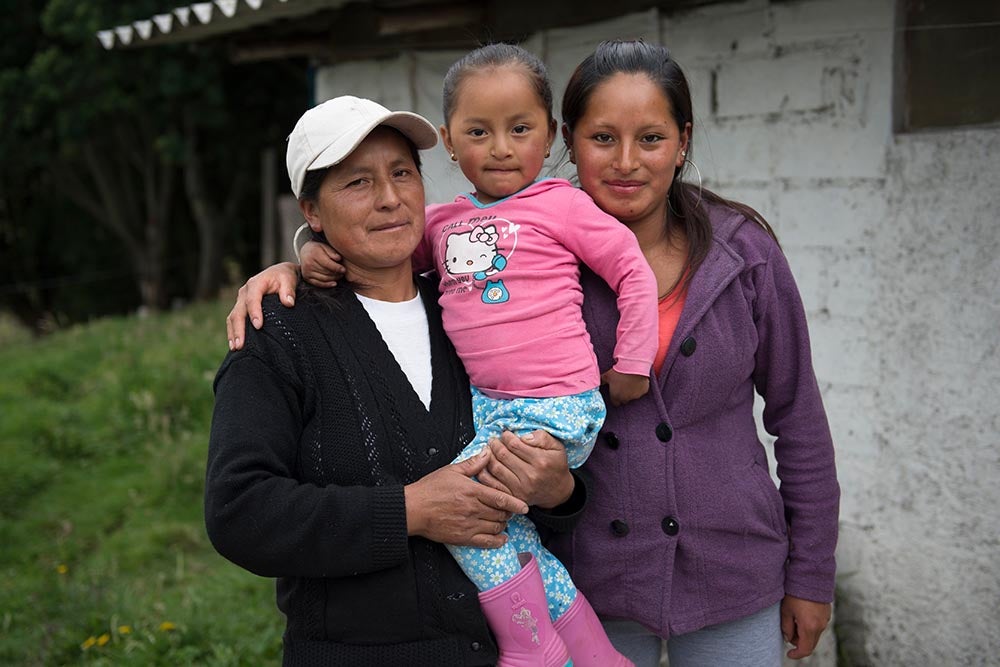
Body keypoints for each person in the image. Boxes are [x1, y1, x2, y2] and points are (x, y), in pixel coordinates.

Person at [228, 40, 840, 667]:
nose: (627, 161)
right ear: (570, 142)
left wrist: (812, 574)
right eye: (603, 138)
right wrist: (298, 261)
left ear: (683, 141)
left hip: (732, 573)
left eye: (651, 138)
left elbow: (798, 420)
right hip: (597, 576)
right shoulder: (503, 259)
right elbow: (389, 255)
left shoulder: (745, 259)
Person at [205, 96, 586, 667]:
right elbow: (239, 511)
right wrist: (409, 510)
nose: (390, 198)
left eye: (403, 172)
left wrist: (560, 493)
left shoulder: (471, 306)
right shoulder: (279, 335)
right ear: (311, 210)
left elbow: (543, 458)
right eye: (357, 183)